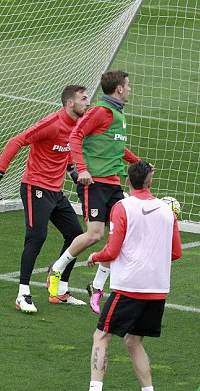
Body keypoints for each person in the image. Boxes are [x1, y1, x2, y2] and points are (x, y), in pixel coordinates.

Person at [65, 160, 182, 391]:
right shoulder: (166, 211)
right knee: (133, 340)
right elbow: (175, 252)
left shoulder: (122, 207)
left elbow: (112, 250)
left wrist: (94, 257)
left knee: (101, 336)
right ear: (150, 182)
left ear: (128, 181)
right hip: (158, 288)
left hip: (130, 287)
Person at [0, 85, 90, 313]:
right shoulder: (51, 123)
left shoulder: (76, 126)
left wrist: (73, 172)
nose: (87, 103)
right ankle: (22, 293)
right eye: (83, 99)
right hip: (35, 187)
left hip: (55, 191)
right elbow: (16, 141)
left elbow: (67, 150)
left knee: (76, 235)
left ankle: (59, 291)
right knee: (37, 236)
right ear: (70, 103)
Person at [47, 70, 140, 314]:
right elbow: (76, 136)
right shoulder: (100, 111)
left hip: (112, 183)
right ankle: (56, 269)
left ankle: (96, 287)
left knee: (122, 237)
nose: (130, 89)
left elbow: (117, 146)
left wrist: (138, 164)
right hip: (94, 182)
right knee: (95, 235)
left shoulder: (117, 114)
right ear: (119, 89)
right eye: (128, 85)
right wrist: (82, 169)